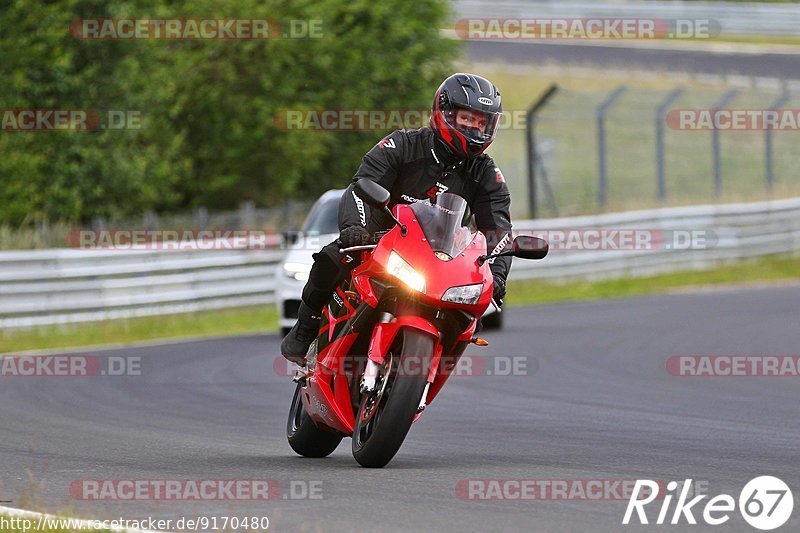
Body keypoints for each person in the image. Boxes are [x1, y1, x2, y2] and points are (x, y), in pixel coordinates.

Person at [281, 73, 513, 364]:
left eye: (483, 122)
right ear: (445, 112)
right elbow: (362, 185)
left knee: (467, 316)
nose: (476, 128)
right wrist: (356, 229)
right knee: (335, 256)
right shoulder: (402, 144)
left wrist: (498, 275)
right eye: (469, 119)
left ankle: (427, 371)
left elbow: (499, 231)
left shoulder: (487, 175)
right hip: (381, 239)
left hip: (439, 259)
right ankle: (305, 325)